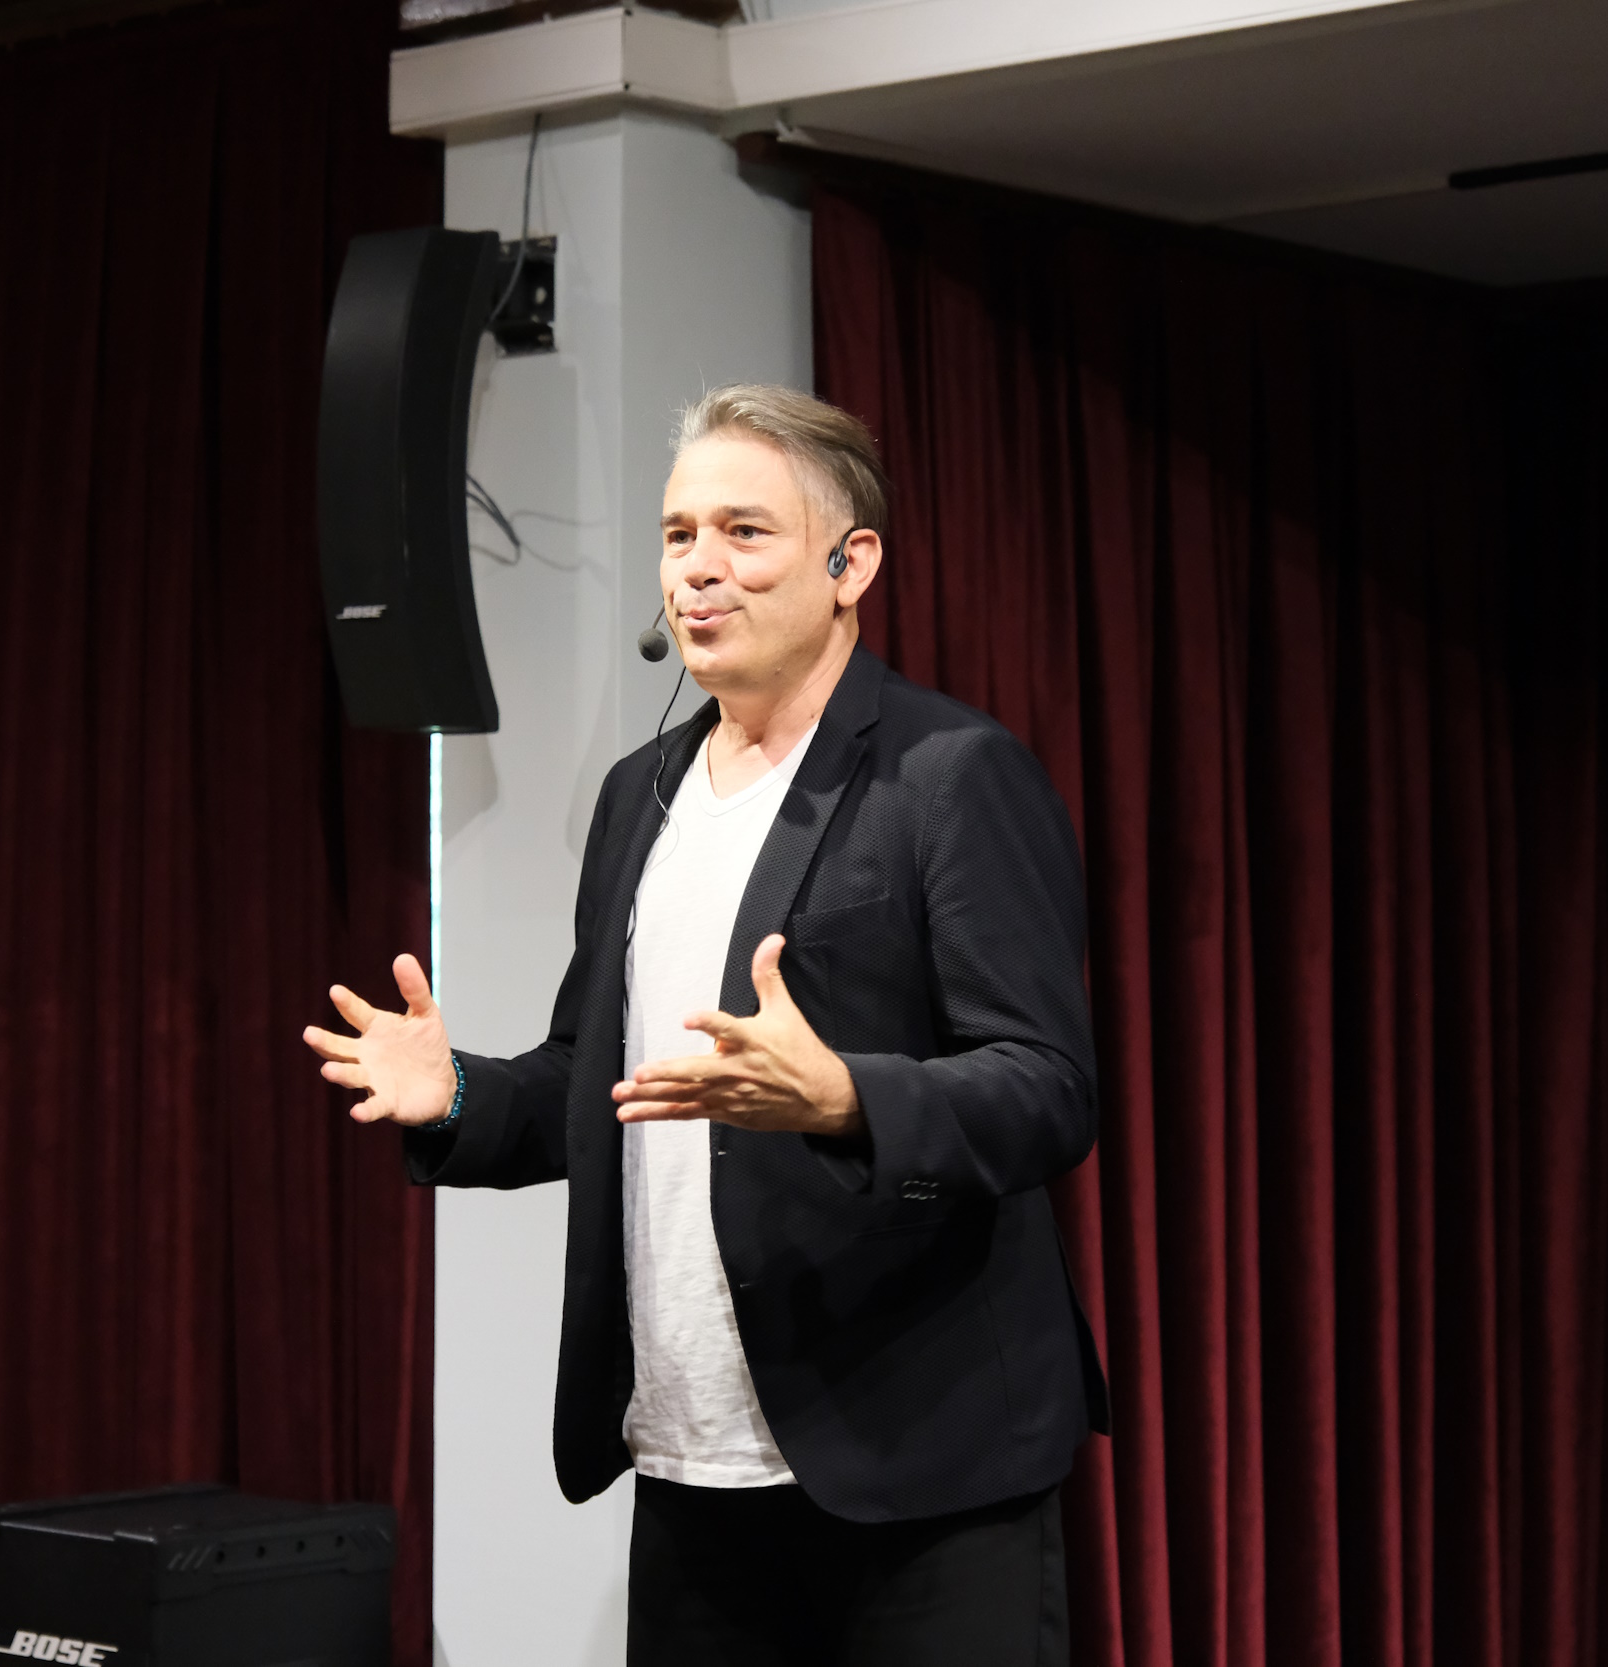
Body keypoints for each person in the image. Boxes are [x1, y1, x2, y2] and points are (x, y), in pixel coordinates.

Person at [302, 385, 1107, 1666]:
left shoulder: (947, 774)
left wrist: (845, 1097)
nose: (698, 567)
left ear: (851, 565)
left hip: (922, 1468)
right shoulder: (642, 794)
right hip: (693, 1466)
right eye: (678, 534)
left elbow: (1047, 1085)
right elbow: (599, 1079)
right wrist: (456, 1093)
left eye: (745, 531)